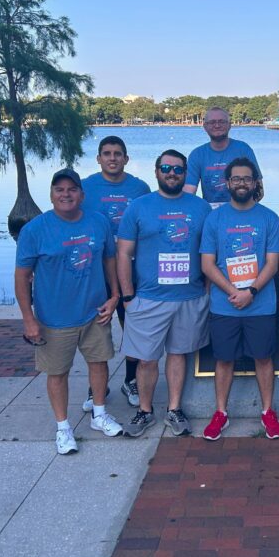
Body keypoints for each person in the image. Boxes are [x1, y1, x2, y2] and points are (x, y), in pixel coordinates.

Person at [14, 168, 124, 455]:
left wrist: (114, 296)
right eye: (59, 190)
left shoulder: (98, 223)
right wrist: (29, 318)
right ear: (51, 195)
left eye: (71, 189)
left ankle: (99, 414)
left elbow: (110, 261)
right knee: (57, 373)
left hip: (94, 312)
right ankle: (63, 428)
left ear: (81, 194)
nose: (66, 194)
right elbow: (22, 277)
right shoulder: (34, 230)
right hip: (54, 319)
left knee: (99, 363)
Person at [116, 150, 211, 437]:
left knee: (178, 354)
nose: (172, 173)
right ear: (156, 171)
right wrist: (128, 296)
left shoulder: (201, 207)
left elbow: (210, 251)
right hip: (148, 298)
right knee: (146, 359)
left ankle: (174, 409)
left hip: (189, 298)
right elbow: (124, 253)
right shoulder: (138, 207)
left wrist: (206, 290)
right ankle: (144, 410)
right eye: (166, 168)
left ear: (186, 174)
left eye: (178, 169)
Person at [198, 157, 279, 440]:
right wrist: (233, 292)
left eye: (247, 179)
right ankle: (221, 413)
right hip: (225, 305)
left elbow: (272, 263)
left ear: (255, 182)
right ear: (227, 183)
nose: (242, 183)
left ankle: (267, 412)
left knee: (263, 358)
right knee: (223, 360)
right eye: (236, 179)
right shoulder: (215, 219)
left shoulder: (269, 218)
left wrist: (252, 292)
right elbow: (208, 264)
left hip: (261, 305)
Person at [81, 135, 151, 411]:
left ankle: (131, 379)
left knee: (132, 326)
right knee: (94, 329)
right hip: (95, 270)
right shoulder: (85, 188)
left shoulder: (139, 187)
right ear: (98, 158)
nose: (112, 158)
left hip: (132, 270)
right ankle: (95, 386)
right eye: (107, 153)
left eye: (117, 153)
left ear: (126, 158)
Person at [183, 107, 261, 208]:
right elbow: (189, 192)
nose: (217, 125)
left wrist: (240, 210)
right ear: (205, 126)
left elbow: (259, 189)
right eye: (212, 122)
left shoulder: (243, 149)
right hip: (211, 211)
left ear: (229, 125)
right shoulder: (197, 154)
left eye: (222, 122)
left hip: (242, 209)